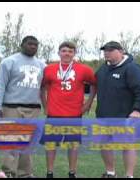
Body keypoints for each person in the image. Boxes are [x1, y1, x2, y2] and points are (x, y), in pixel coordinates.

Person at [95, 41, 140, 178]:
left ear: (121, 51)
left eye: (110, 50)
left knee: (127, 145)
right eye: (105, 51)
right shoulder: (103, 69)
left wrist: (138, 110)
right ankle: (110, 173)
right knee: (105, 144)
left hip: (125, 116)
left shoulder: (132, 68)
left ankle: (129, 175)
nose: (106, 53)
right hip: (104, 116)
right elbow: (93, 84)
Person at [40, 41, 97, 178]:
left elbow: (95, 84)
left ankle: (72, 173)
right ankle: (50, 173)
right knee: (51, 145)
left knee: (73, 145)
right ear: (59, 52)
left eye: (70, 51)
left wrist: (88, 103)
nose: (67, 53)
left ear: (74, 53)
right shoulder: (49, 69)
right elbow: (42, 87)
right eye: (64, 50)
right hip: (54, 114)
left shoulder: (84, 69)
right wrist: (45, 105)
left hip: (74, 114)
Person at [0, 35, 46, 178]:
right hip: (11, 107)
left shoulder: (41, 65)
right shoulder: (9, 62)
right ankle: (9, 172)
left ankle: (25, 173)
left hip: (33, 108)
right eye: (30, 44)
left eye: (36, 45)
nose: (33, 47)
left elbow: (45, 87)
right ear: (22, 44)